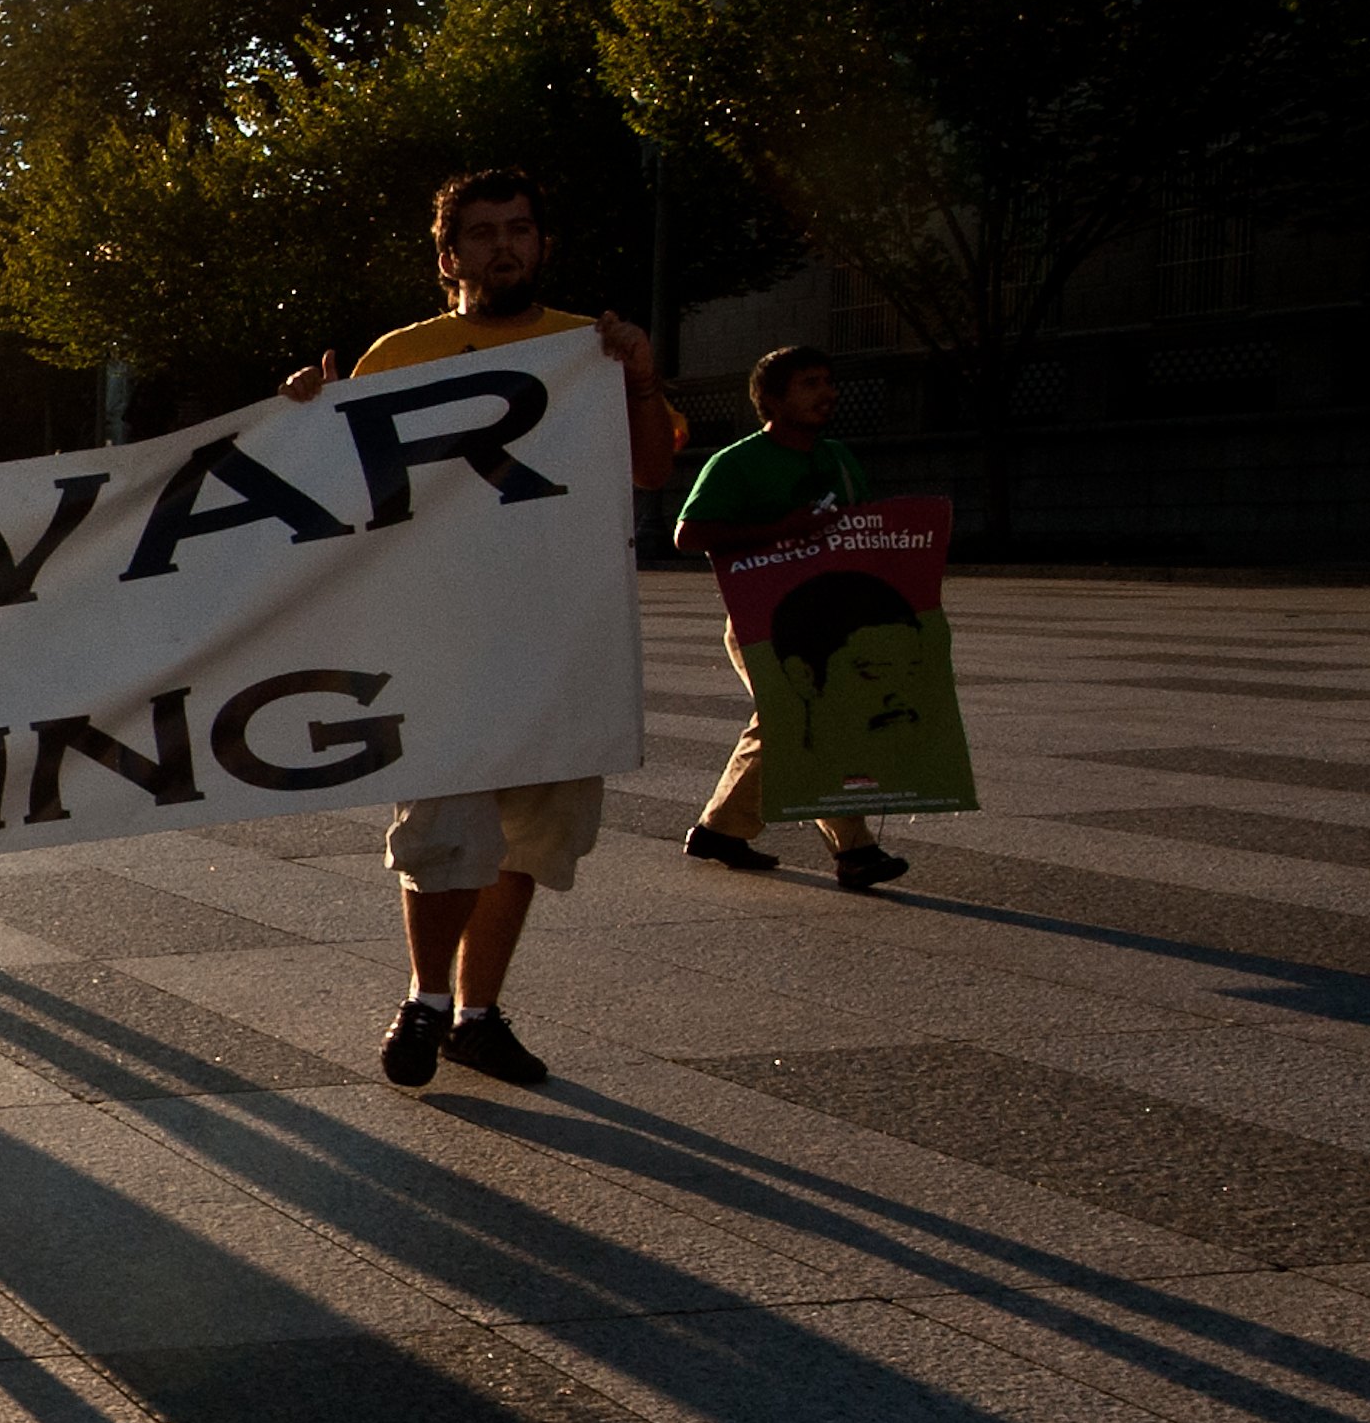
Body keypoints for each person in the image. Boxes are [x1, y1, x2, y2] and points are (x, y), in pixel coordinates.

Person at [277, 164, 690, 1092]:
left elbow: (656, 471)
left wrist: (641, 379)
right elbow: (335, 490)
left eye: (519, 227)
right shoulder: (400, 355)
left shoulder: (590, 351)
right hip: (440, 637)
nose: (503, 245)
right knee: (443, 829)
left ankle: (476, 1014)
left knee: (529, 841)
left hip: (558, 640)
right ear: (448, 255)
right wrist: (302, 415)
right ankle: (426, 998)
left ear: (542, 244)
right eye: (482, 232)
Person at [671, 343, 906, 893]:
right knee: (811, 720)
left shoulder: (840, 459)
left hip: (832, 620)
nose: (827, 393)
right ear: (770, 401)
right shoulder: (736, 463)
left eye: (828, 381)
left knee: (782, 724)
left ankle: (720, 829)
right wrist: (782, 531)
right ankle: (857, 851)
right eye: (809, 384)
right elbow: (690, 534)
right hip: (762, 619)